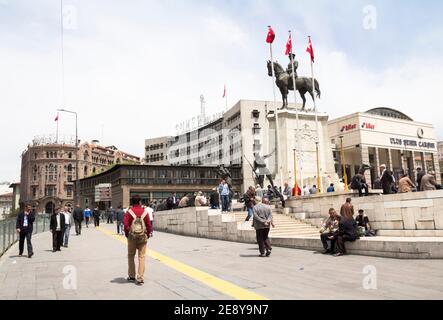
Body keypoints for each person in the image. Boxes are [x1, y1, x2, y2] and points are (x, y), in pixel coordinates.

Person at [124, 195, 153, 286]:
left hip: (132, 237)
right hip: (142, 237)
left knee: (131, 256)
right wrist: (147, 235)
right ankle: (140, 277)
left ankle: (132, 276)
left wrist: (127, 234)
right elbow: (149, 226)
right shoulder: (144, 212)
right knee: (142, 256)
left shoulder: (129, 212)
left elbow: (125, 225)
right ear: (140, 202)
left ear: (132, 202)